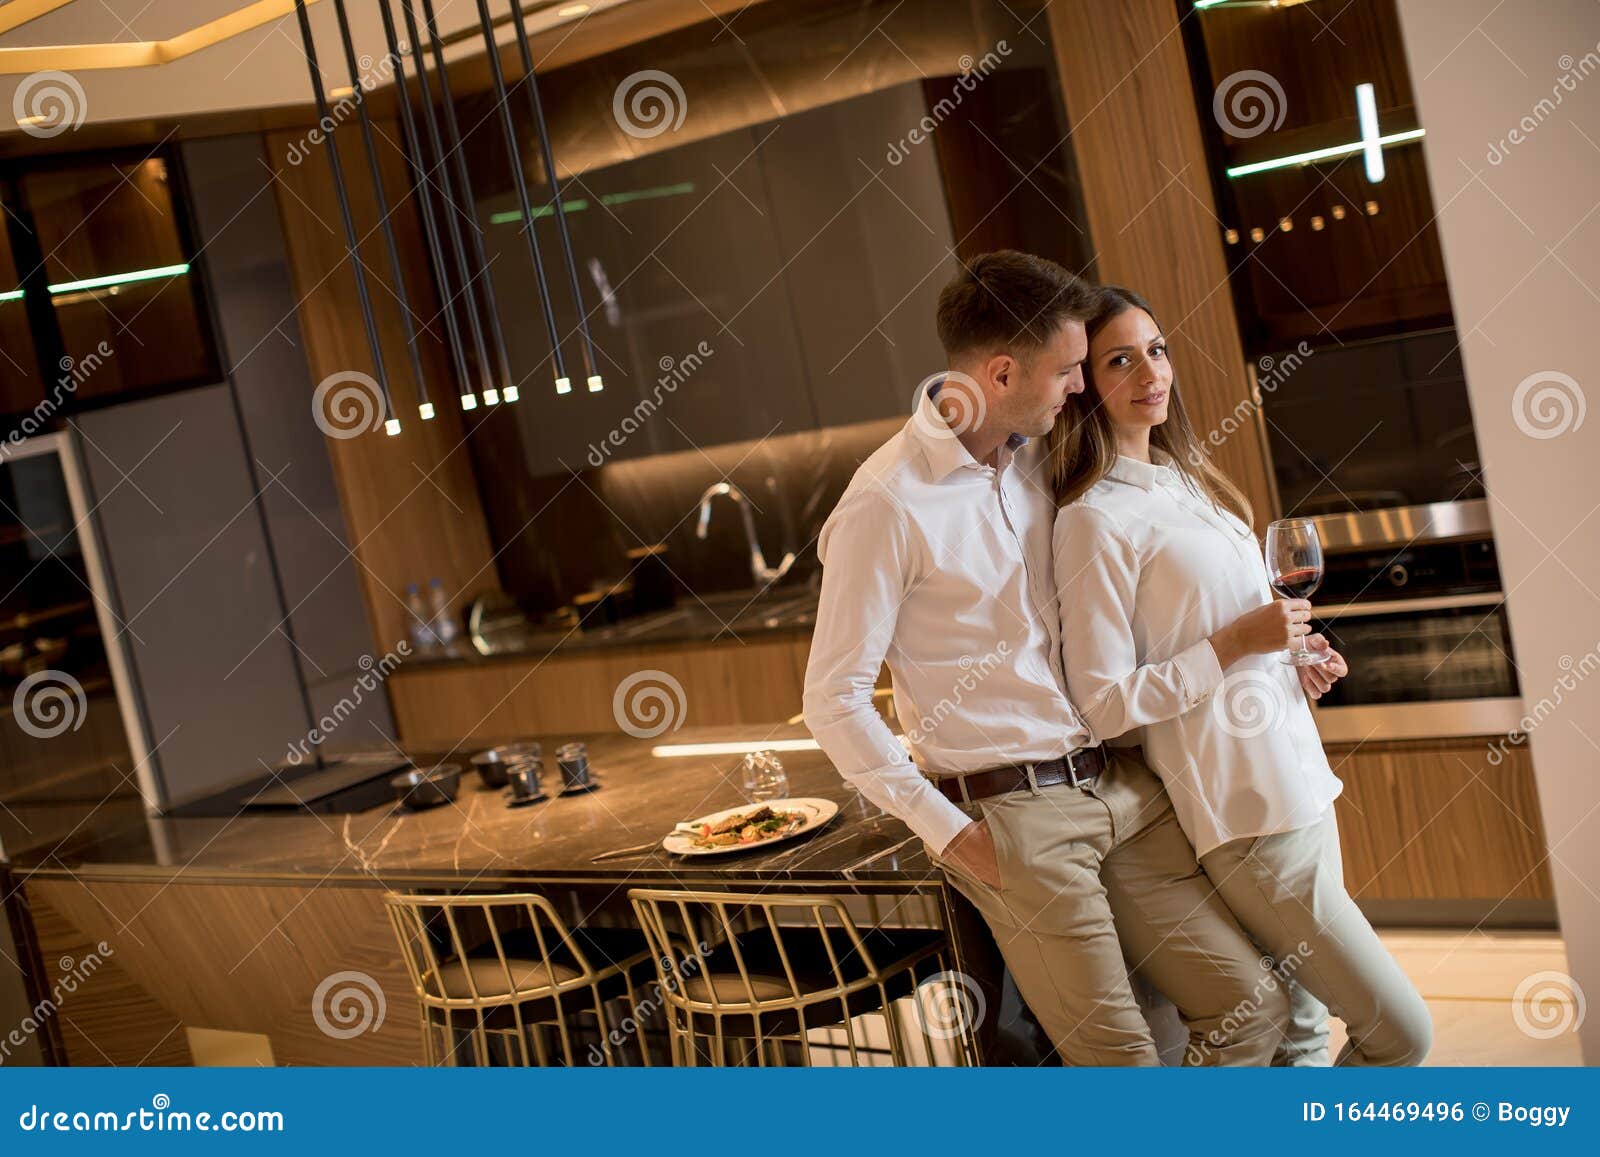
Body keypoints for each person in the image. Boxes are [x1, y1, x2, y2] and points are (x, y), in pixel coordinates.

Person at [803, 251, 1290, 1065]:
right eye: (1069, 369)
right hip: (1016, 817)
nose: (1079, 387)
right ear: (1000, 372)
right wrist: (951, 835)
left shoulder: (1040, 457)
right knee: (1125, 1069)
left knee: (1252, 1007)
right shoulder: (885, 504)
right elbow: (834, 699)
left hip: (1119, 784)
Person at [1050, 285, 1432, 1066]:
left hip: (1300, 782)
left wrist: (1298, 659)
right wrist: (1233, 644)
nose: (1150, 372)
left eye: (1156, 349)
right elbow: (1107, 704)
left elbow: (1241, 628)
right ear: (1085, 381)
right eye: (1120, 359)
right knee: (1399, 1036)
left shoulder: (1188, 483)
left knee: (1298, 1034)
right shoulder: (1091, 518)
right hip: (1244, 812)